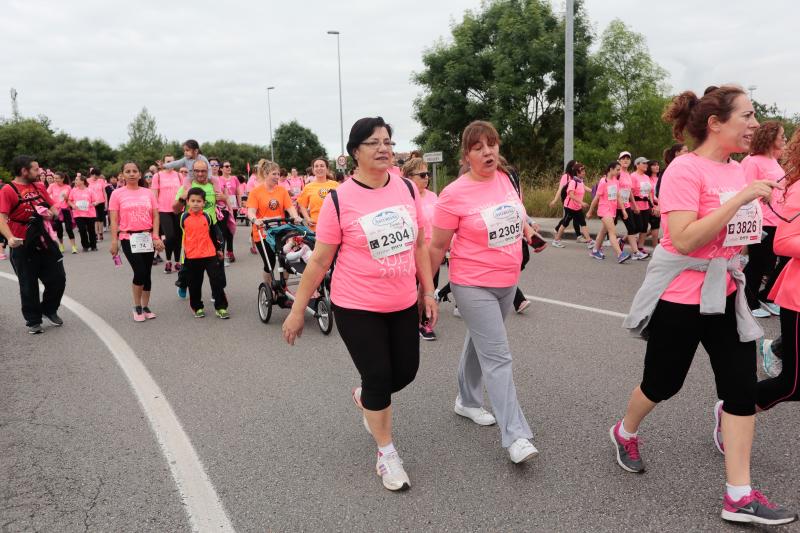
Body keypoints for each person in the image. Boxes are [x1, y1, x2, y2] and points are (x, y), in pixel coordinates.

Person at [617, 85, 795, 525]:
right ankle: (624, 431)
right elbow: (685, 238)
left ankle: (739, 494)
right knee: (662, 385)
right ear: (716, 123)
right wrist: (740, 200)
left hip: (727, 294)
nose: (755, 124)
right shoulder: (683, 170)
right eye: (748, 115)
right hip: (681, 298)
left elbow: (742, 234)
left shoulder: (738, 170)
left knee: (740, 390)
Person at [282, 117, 437, 492]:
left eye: (388, 141)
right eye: (374, 142)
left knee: (406, 372)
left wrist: (427, 290)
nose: (384, 148)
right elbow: (319, 261)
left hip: (401, 302)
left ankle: (366, 397)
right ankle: (387, 454)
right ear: (355, 152)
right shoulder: (340, 199)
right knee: (380, 376)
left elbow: (418, 244)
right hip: (356, 305)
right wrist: (298, 309)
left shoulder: (405, 189)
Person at [428, 120, 539, 464]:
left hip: (507, 281)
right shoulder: (453, 194)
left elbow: (516, 217)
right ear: (467, 155)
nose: (488, 151)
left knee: (480, 343)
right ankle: (516, 436)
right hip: (472, 282)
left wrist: (531, 232)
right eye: (478, 147)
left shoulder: (506, 179)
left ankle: (467, 401)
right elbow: (436, 247)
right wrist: (427, 291)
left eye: (492, 144)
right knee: (498, 355)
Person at [0, 156, 66, 334]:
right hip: (21, 243)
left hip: (44, 240)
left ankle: (49, 309)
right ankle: (33, 320)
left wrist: (50, 214)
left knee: (58, 278)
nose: (40, 172)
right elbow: (1, 217)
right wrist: (10, 237)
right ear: (24, 171)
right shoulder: (8, 190)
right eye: (36, 169)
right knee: (28, 284)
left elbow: (53, 207)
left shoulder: (39, 186)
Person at [741, 121, 788, 318]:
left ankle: (765, 296)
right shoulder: (752, 161)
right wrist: (761, 194)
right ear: (770, 137)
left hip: (778, 219)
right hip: (761, 220)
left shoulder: (774, 161)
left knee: (778, 261)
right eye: (782, 135)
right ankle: (748, 303)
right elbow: (744, 190)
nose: (784, 139)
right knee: (758, 263)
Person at [109, 162, 164, 322]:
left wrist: (155, 236)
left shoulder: (148, 193)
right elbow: (113, 219)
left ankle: (145, 306)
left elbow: (155, 216)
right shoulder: (117, 194)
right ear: (123, 175)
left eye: (134, 171)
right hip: (128, 237)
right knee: (139, 271)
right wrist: (114, 241)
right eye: (128, 171)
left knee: (147, 273)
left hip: (147, 237)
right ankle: (136, 306)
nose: (132, 174)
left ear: (140, 174)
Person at [247, 160, 301, 288]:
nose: (277, 176)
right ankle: (269, 288)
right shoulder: (256, 192)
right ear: (266, 174)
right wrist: (255, 219)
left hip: (280, 230)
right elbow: (251, 211)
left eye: (278, 174)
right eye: (274, 174)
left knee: (287, 258)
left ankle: (283, 287)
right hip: (263, 232)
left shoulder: (282, 191)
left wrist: (296, 216)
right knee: (269, 262)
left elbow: (290, 207)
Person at [402, 156, 439, 341]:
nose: (427, 178)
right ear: (409, 177)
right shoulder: (404, 198)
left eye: (428, 174)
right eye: (422, 174)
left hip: (433, 250)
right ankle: (418, 322)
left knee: (429, 287)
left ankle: (423, 320)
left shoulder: (433, 196)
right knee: (414, 288)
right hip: (413, 250)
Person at [180, 187, 229, 319]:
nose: (196, 203)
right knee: (195, 284)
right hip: (192, 256)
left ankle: (221, 307)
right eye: (193, 200)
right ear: (188, 202)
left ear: (204, 203)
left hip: (209, 254)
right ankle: (197, 307)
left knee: (216, 281)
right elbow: (182, 237)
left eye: (199, 201)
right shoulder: (183, 217)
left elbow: (214, 235)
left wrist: (218, 249)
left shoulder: (207, 217)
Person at [587, 162, 632, 263]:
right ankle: (620, 254)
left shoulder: (615, 181)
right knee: (612, 232)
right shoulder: (603, 181)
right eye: (617, 169)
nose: (619, 171)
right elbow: (596, 198)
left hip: (612, 211)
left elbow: (618, 196)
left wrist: (624, 210)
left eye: (619, 169)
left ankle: (595, 250)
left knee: (603, 231)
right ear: (611, 169)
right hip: (604, 210)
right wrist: (590, 211)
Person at [152, 155, 184, 273]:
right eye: (168, 162)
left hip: (178, 209)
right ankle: (168, 261)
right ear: (164, 163)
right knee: (170, 237)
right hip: (163, 210)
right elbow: (154, 194)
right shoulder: (157, 176)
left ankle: (177, 262)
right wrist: (154, 211)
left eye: (172, 161)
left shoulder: (179, 175)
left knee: (178, 238)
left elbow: (184, 191)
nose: (170, 164)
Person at [551, 162, 594, 247]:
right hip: (570, 207)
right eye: (582, 171)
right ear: (577, 173)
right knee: (565, 223)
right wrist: (581, 202)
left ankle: (589, 241)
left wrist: (595, 192)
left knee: (583, 223)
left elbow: (585, 188)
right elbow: (571, 194)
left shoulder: (580, 181)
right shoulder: (573, 182)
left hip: (577, 207)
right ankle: (556, 241)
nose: (584, 172)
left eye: (584, 171)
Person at [297, 157, 338, 230]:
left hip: (334, 226)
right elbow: (301, 205)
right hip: (316, 227)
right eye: (316, 166)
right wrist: (307, 218)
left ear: (327, 169)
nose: (319, 168)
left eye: (322, 166)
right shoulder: (308, 187)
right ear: (313, 170)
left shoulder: (336, 185)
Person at [47, 171, 78, 254]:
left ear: (62, 179)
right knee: (59, 229)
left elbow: (70, 199)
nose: (55, 180)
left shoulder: (67, 187)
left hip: (65, 209)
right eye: (54, 178)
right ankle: (61, 245)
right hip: (56, 210)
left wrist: (67, 197)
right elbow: (46, 195)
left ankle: (73, 246)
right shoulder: (52, 186)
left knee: (69, 228)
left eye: (57, 178)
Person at [68, 174, 98, 252]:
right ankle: (85, 246)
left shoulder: (90, 190)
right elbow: (69, 200)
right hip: (78, 214)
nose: (75, 181)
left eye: (77, 180)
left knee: (91, 230)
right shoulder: (73, 190)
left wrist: (94, 204)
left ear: (82, 181)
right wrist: (72, 205)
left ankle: (93, 246)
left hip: (90, 213)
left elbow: (96, 201)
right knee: (82, 229)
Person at [218, 160, 241, 263]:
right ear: (221, 168)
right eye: (226, 166)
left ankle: (230, 251)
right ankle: (221, 252)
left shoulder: (234, 178)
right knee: (223, 231)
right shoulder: (219, 179)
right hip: (223, 207)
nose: (229, 168)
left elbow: (238, 192)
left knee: (231, 229)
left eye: (230, 166)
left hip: (234, 207)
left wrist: (240, 205)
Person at [631, 157, 655, 254]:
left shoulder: (646, 177)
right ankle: (623, 240)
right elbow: (630, 192)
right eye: (643, 163)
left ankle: (640, 247)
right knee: (637, 227)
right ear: (637, 165)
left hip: (645, 205)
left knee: (644, 228)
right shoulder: (633, 176)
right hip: (635, 206)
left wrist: (652, 204)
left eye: (646, 163)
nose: (646, 165)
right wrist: (634, 205)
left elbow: (649, 191)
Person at [87, 168, 107, 241]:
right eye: (95, 176)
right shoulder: (87, 181)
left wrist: (106, 203)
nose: (96, 178)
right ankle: (95, 234)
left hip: (101, 201)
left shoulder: (101, 181)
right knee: (95, 219)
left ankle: (101, 233)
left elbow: (104, 192)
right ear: (91, 174)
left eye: (97, 176)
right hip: (92, 203)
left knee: (100, 219)